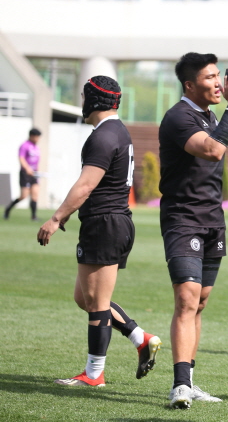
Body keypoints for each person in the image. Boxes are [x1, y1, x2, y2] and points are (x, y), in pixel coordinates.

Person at [37, 76, 161, 387]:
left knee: (96, 304)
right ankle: (140, 338)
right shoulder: (116, 131)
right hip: (112, 222)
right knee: (85, 298)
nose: (81, 102)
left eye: (83, 96)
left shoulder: (104, 136)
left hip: (104, 224)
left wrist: (56, 218)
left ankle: (93, 374)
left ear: (94, 100)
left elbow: (86, 185)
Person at [159, 52, 228, 409]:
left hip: (213, 219)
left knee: (200, 302)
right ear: (190, 85)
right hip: (183, 219)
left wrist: (226, 110)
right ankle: (179, 385)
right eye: (210, 78)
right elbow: (212, 151)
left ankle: (190, 382)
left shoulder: (209, 116)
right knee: (186, 299)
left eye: (218, 76)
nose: (218, 84)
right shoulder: (179, 117)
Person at [6, 128, 42, 221]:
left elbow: (37, 161)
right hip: (25, 173)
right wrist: (27, 169)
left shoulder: (36, 147)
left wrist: (37, 171)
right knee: (24, 195)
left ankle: (34, 216)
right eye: (37, 137)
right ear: (32, 136)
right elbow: (21, 158)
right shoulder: (24, 145)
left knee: (35, 194)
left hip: (34, 174)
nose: (38, 139)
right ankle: (8, 209)